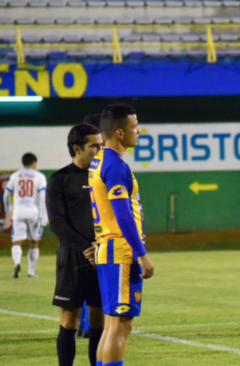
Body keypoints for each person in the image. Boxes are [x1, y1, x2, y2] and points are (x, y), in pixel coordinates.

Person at [89, 103, 155, 366]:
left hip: (109, 249)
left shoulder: (100, 160)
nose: (139, 131)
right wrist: (142, 255)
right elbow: (122, 214)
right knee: (119, 327)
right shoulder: (115, 166)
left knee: (113, 326)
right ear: (119, 132)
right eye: (134, 126)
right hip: (120, 252)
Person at [47, 123, 105, 366]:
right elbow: (57, 223)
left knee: (99, 321)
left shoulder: (104, 177)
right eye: (95, 146)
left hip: (103, 257)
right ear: (77, 148)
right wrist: (85, 247)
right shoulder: (60, 179)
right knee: (70, 320)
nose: (100, 150)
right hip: (72, 260)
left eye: (102, 145)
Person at [3, 152, 47, 278]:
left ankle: (17, 263)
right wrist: (44, 216)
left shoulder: (16, 175)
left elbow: (7, 194)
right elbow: (43, 197)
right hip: (34, 212)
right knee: (34, 242)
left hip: (19, 212)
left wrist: (8, 209)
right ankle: (31, 271)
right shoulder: (39, 176)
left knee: (17, 241)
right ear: (34, 163)